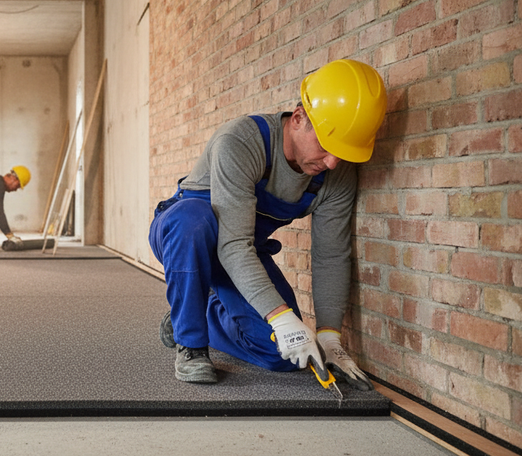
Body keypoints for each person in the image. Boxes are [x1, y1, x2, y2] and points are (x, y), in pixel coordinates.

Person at [149, 59, 387, 387]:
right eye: (326, 146)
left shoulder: (335, 172)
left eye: (342, 152)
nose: (332, 162)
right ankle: (190, 343)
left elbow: (331, 256)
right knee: (194, 221)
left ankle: (195, 314)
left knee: (282, 353)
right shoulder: (242, 141)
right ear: (299, 117)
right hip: (188, 239)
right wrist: (278, 315)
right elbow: (231, 243)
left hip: (243, 251)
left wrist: (330, 338)